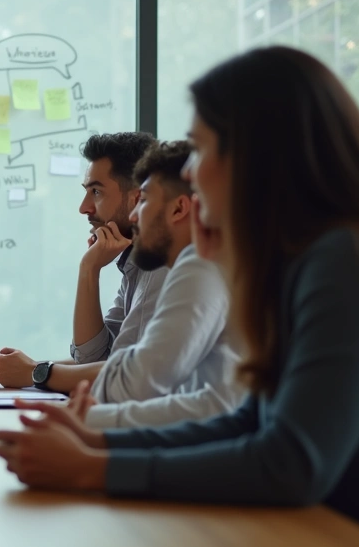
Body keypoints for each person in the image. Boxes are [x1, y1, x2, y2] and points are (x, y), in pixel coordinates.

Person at [0, 47, 359, 547]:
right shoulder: (307, 260)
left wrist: (97, 467)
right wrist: (98, 441)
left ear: (257, 156)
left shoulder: (350, 262)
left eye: (200, 148)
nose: (189, 173)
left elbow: (291, 462)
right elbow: (251, 421)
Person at [79, 141, 243, 428]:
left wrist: (86, 417)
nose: (133, 215)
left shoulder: (198, 265)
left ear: (179, 208)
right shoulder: (178, 265)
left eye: (142, 200)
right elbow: (114, 364)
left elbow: (130, 389)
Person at [0, 132, 162, 388]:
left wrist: (35, 373)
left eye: (96, 192)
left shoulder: (164, 266)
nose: (84, 207)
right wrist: (89, 269)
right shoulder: (137, 265)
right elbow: (94, 358)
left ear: (136, 199)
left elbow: (132, 376)